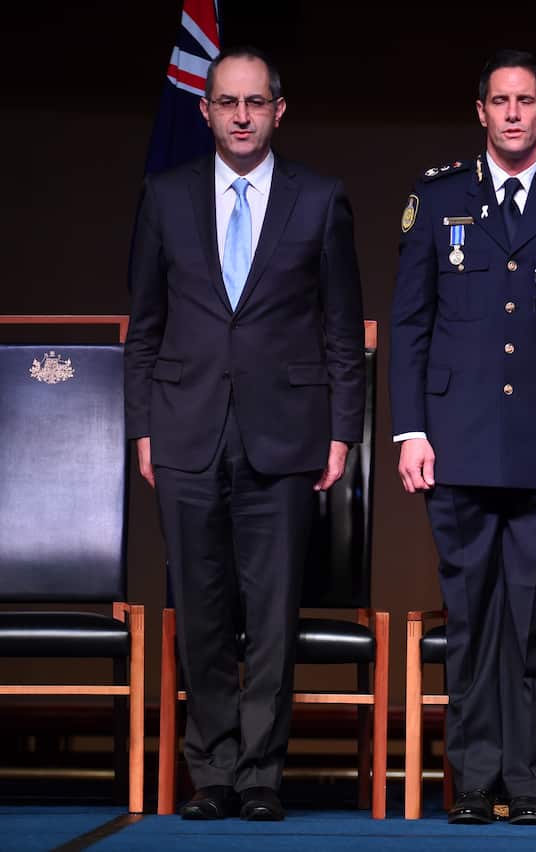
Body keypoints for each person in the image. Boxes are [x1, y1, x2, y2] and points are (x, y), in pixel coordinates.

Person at [124, 47, 366, 822]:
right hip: (186, 428)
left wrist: (342, 434)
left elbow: (339, 331)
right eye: (226, 102)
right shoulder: (164, 197)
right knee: (198, 609)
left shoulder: (321, 198)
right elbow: (145, 327)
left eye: (254, 102)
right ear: (204, 110)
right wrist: (141, 429)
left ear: (277, 110)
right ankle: (213, 772)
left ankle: (260, 774)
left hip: (287, 434)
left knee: (270, 614)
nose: (239, 115)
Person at [390, 49, 536, 826]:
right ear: (481, 111)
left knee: (530, 622)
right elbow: (412, 324)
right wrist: (410, 430)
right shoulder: (438, 198)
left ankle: (528, 782)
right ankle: (474, 777)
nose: (515, 112)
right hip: (456, 442)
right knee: (470, 619)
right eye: (501, 100)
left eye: (528, 100)